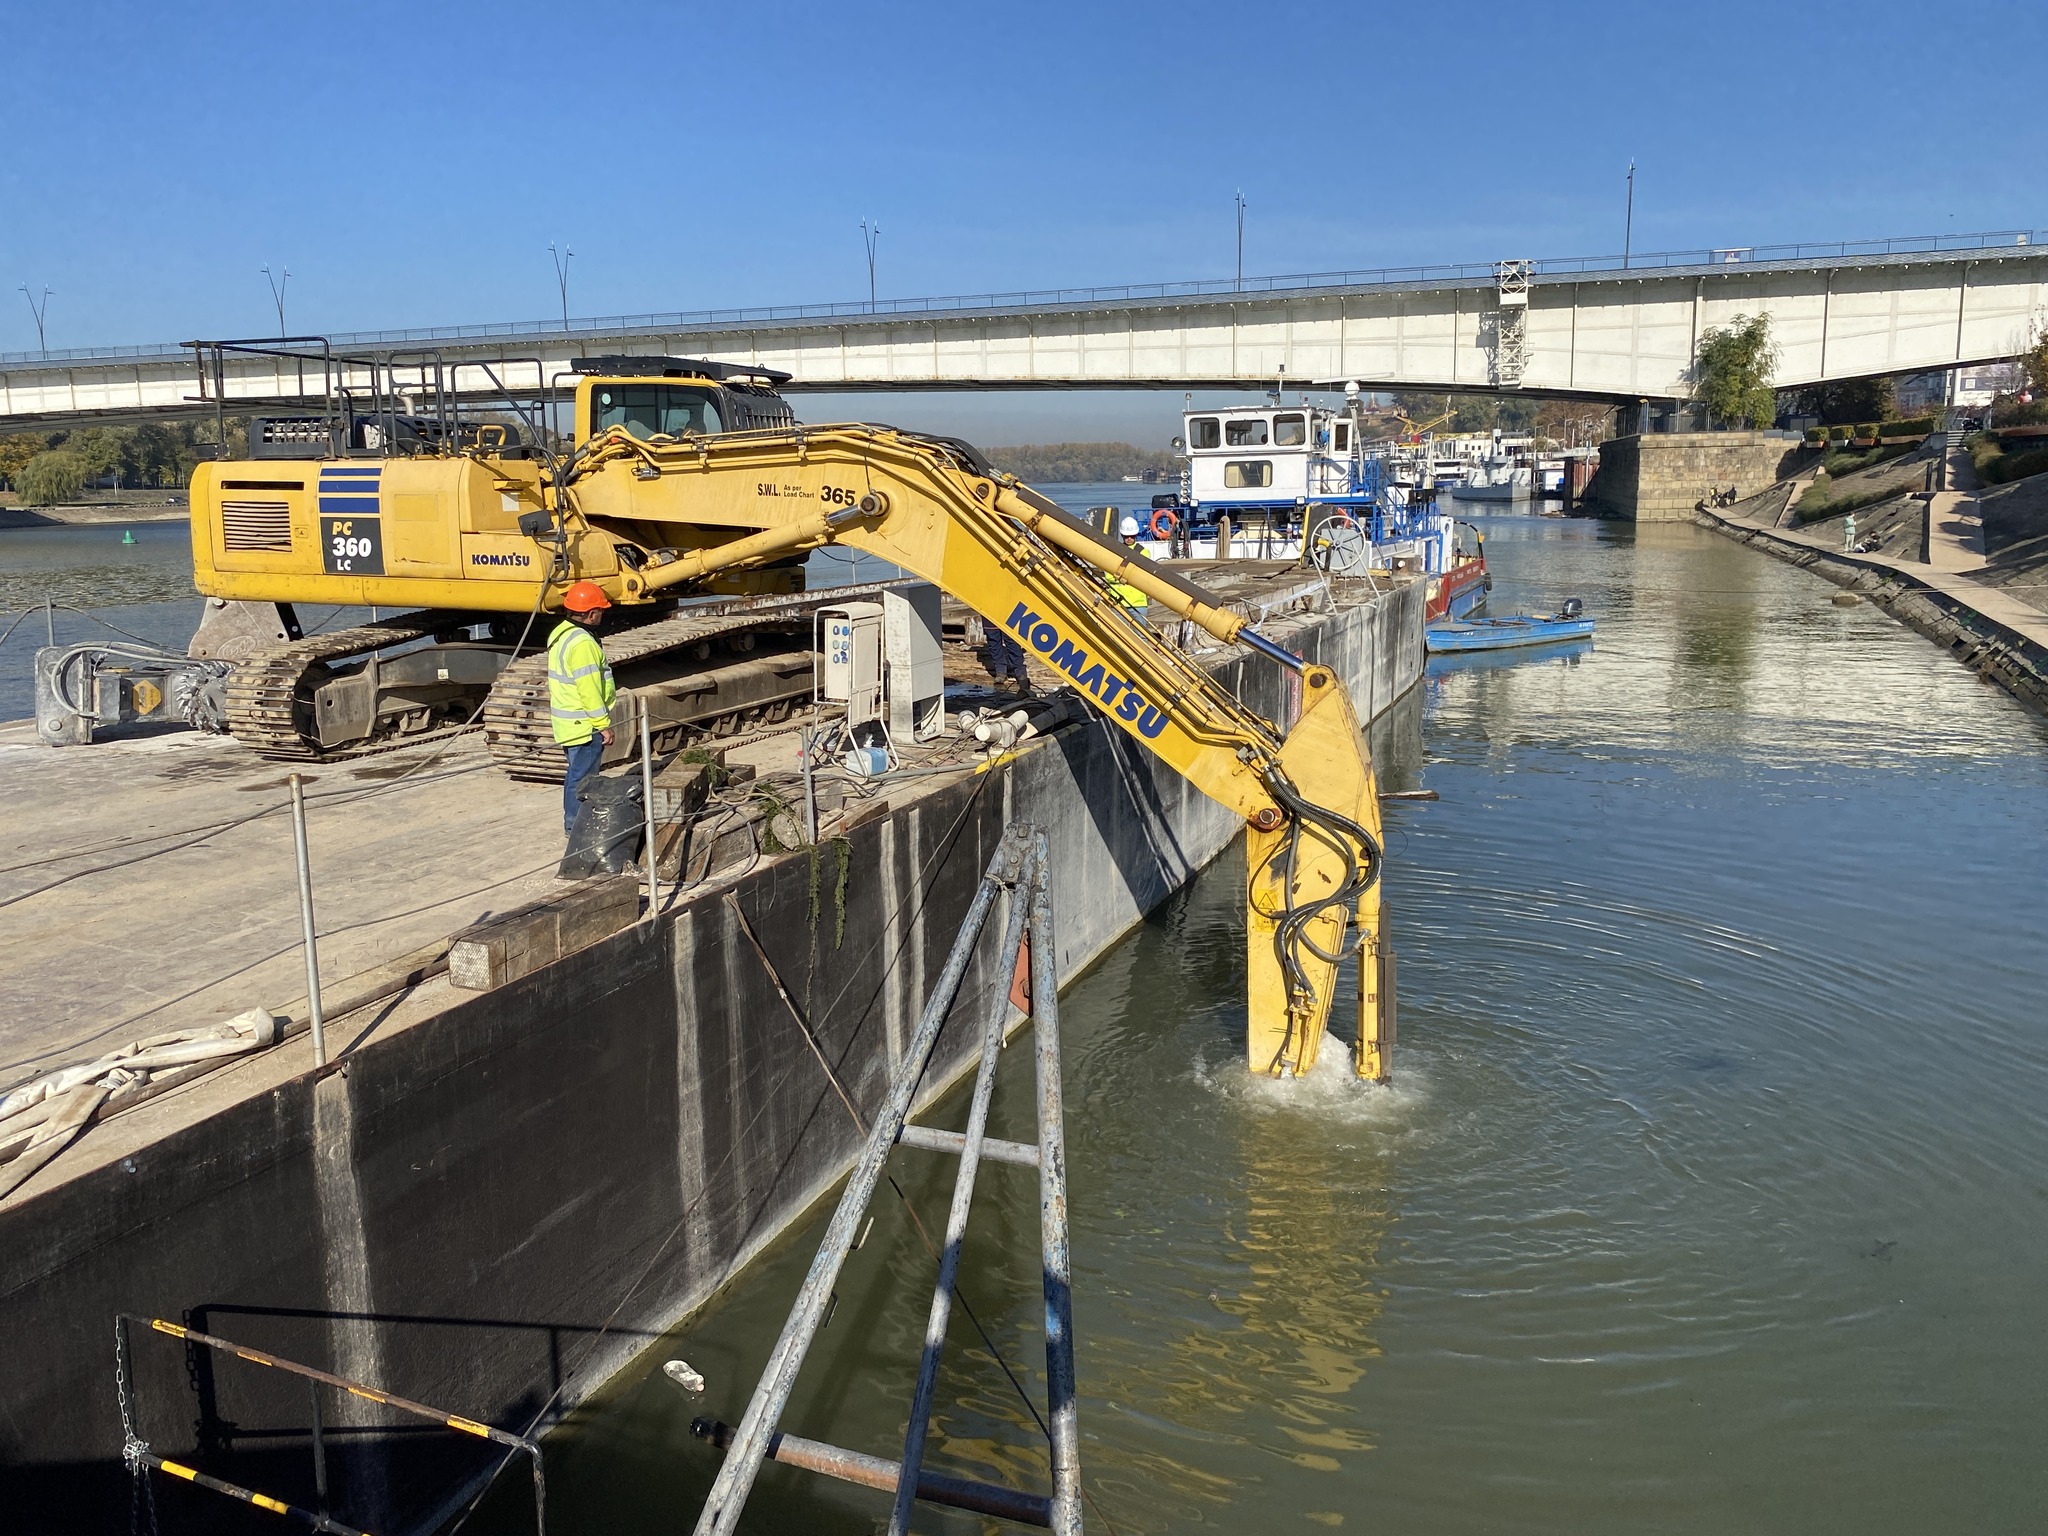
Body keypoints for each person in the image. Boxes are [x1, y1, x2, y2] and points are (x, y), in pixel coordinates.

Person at [548, 580, 617, 837]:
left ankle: (573, 823)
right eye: (600, 610)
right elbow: (589, 689)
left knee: (576, 774)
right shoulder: (583, 644)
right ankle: (576, 827)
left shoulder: (561, 633)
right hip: (584, 724)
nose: (602, 614)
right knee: (584, 779)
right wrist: (603, 725)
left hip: (568, 721)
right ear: (590, 614)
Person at [1108, 514, 1151, 610]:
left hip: (1138, 603)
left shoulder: (1143, 552)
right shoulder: (1115, 551)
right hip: (1118, 602)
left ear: (1136, 535)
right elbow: (1108, 575)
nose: (1129, 538)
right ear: (1122, 535)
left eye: (1132, 536)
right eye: (1126, 536)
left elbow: (1143, 576)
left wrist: (1120, 576)